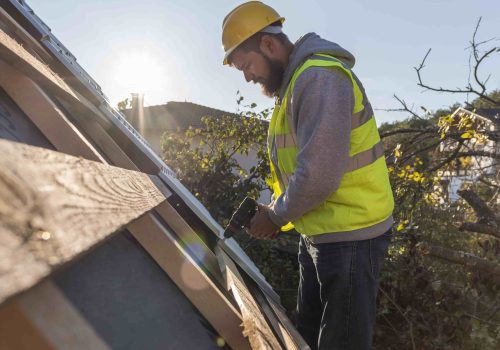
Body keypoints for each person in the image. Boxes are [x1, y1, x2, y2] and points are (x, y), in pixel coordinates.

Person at [221, 2, 395, 349]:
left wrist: (275, 217)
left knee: (341, 342)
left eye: (247, 65)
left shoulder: (318, 79)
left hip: (351, 237)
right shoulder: (294, 86)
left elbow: (318, 176)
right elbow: (298, 171)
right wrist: (274, 213)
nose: (248, 76)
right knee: (307, 334)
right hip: (320, 233)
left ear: (269, 45)